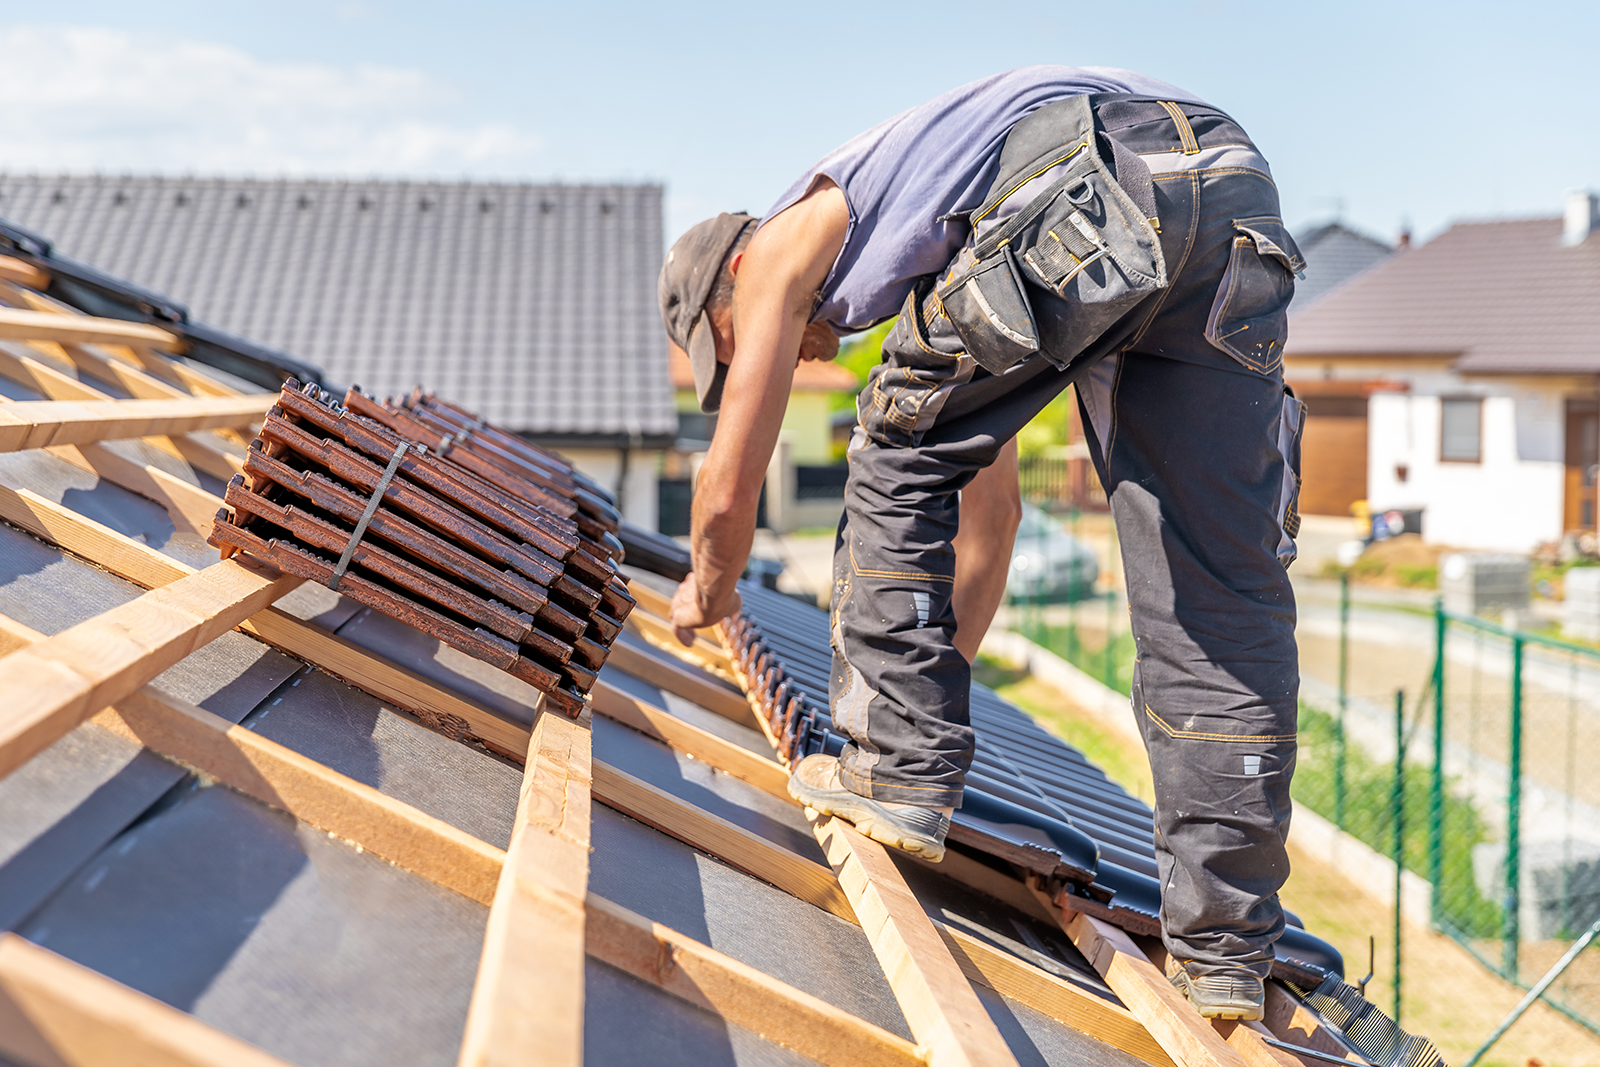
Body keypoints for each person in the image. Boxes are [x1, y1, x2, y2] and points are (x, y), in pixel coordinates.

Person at [658, 65, 1305, 1021]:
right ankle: (1224, 948)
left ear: (729, 284)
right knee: (1213, 591)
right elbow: (988, 521)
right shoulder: (943, 245)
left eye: (731, 345)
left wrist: (708, 592)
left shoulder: (786, 239)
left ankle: (891, 775)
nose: (778, 354)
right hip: (1228, 187)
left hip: (1094, 170)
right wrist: (928, 680)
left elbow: (726, 491)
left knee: (890, 439)